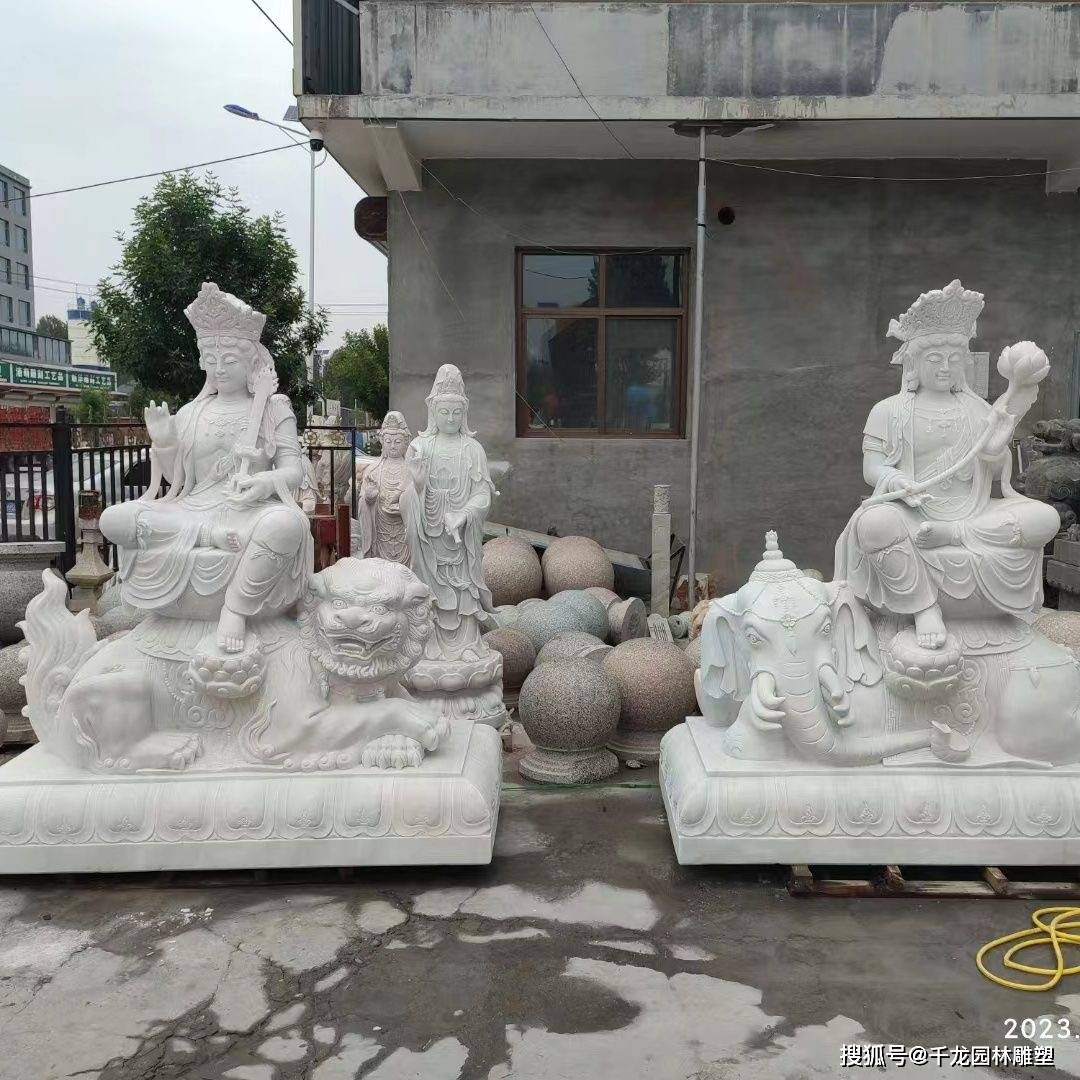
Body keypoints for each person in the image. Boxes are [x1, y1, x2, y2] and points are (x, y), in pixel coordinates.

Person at [835, 280, 1060, 650]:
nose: (945, 367)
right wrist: (893, 479)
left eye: (955, 359)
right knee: (874, 524)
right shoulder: (888, 411)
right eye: (934, 359)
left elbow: (991, 470)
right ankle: (923, 607)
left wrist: (997, 446)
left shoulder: (979, 410)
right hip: (912, 513)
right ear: (913, 363)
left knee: (1045, 517)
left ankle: (953, 535)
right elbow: (872, 467)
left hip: (972, 514)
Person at [100, 283, 311, 654]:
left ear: (252, 363)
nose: (219, 368)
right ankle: (208, 537)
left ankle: (236, 607)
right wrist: (164, 442)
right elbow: (175, 480)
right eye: (211, 359)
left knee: (287, 525)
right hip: (194, 511)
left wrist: (264, 483)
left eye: (229, 359)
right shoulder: (192, 412)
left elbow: (293, 471)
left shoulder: (273, 407)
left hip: (249, 512)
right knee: (114, 518)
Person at [400, 364, 496, 665]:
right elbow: (403, 495)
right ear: (433, 411)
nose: (451, 418)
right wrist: (417, 487)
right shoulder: (419, 447)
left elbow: (483, 493)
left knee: (463, 586)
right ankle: (427, 642)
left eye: (457, 412)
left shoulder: (473, 449)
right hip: (429, 535)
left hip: (460, 538)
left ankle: (467, 643)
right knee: (429, 587)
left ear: (464, 412)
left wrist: (464, 514)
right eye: (445, 412)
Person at [357, 411, 412, 565]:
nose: (392, 446)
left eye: (398, 441)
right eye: (388, 441)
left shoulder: (411, 470)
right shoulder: (373, 470)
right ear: (382, 442)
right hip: (380, 531)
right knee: (381, 570)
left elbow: (420, 498)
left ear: (406, 442)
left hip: (404, 531)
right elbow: (363, 501)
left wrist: (406, 504)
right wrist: (368, 498)